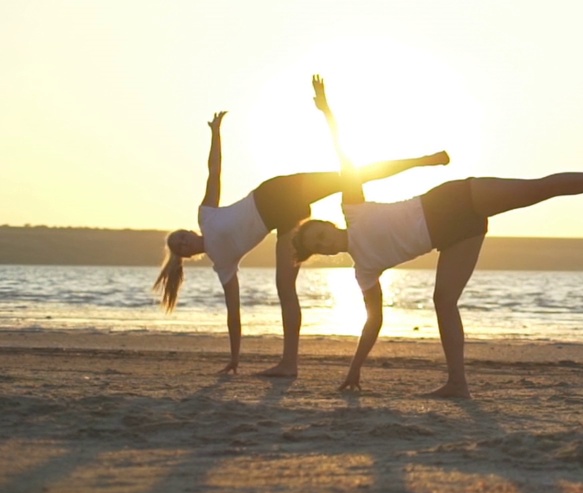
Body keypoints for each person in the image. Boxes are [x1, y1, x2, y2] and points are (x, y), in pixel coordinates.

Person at [293, 76, 583, 398]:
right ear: (323, 254)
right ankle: (457, 383)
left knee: (540, 189)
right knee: (443, 301)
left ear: (328, 225)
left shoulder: (352, 210)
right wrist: (355, 370)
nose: (325, 243)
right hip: (455, 237)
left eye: (320, 234)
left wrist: (327, 111)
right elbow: (374, 321)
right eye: (319, 246)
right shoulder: (364, 271)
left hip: (453, 199)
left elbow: (345, 159)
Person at [155, 110, 448, 377]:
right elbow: (234, 313)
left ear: (187, 231)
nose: (183, 243)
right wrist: (234, 358)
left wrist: (215, 133)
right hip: (286, 223)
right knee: (285, 287)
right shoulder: (223, 266)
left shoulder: (205, 215)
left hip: (278, 190)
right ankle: (289, 364)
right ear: (186, 256)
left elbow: (214, 172)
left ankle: (425, 160)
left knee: (351, 176)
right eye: (179, 247)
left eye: (180, 236)